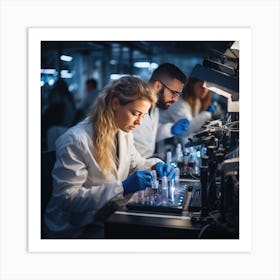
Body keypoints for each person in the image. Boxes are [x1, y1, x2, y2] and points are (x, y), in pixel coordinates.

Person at [43, 76, 175, 239]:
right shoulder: (76, 140)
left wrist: (155, 165)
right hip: (75, 228)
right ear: (115, 104)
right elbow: (67, 198)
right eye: (135, 113)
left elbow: (135, 162)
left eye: (143, 115)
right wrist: (123, 187)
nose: (139, 122)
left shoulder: (123, 132)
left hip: (103, 215)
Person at [132, 63, 187, 158]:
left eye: (178, 94)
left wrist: (170, 129)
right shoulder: (132, 106)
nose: (176, 99)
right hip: (128, 169)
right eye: (174, 93)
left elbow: (148, 134)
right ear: (158, 86)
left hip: (141, 165)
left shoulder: (153, 106)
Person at [159, 76, 218, 144]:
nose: (205, 90)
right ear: (192, 85)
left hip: (177, 141)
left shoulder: (196, 101)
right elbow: (185, 130)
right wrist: (206, 114)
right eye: (201, 87)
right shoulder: (179, 104)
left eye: (207, 87)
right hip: (165, 142)